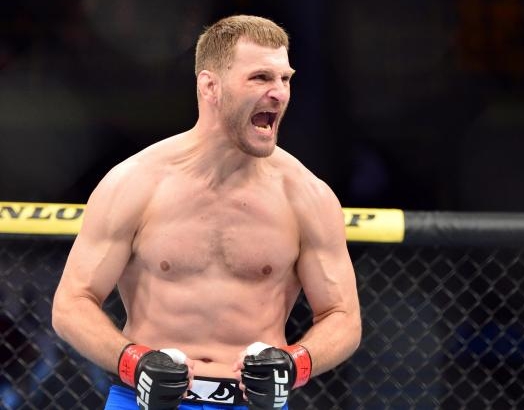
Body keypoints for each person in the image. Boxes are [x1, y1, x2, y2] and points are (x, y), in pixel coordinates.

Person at [52, 14, 361, 410]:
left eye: (285, 79)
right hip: (144, 399)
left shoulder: (305, 195)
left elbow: (342, 316)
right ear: (210, 86)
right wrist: (134, 362)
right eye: (260, 78)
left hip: (254, 403)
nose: (279, 93)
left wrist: (295, 364)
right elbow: (72, 304)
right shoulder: (136, 183)